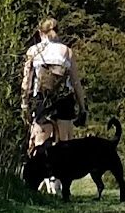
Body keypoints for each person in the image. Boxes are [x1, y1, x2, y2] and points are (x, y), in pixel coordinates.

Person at [21, 17, 87, 156]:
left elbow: (26, 82)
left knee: (39, 142)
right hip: (65, 99)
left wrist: (25, 104)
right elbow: (76, 83)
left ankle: (43, 175)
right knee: (65, 144)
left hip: (42, 97)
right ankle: (60, 175)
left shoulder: (33, 51)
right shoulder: (67, 52)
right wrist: (82, 108)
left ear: (40, 32)